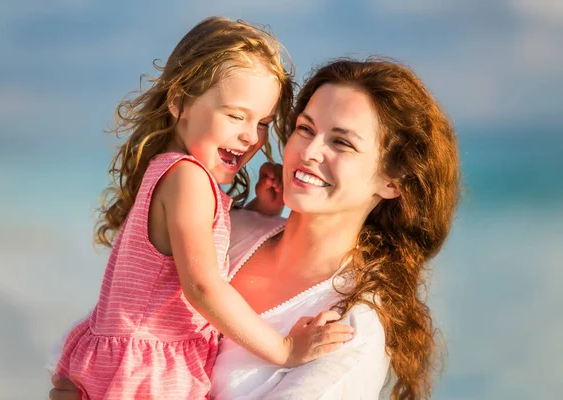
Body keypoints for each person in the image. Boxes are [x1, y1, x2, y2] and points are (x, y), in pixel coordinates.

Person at [50, 58, 460, 399]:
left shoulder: (349, 328)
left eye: (342, 143)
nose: (309, 152)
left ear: (392, 180)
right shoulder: (231, 231)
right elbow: (122, 332)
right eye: (305, 128)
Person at [52, 17, 354, 400]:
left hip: (128, 362)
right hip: (150, 372)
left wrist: (261, 210)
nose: (250, 136)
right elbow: (202, 286)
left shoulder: (171, 171)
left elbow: (200, 245)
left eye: (263, 122)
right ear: (180, 102)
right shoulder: (189, 178)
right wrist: (286, 349)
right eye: (235, 115)